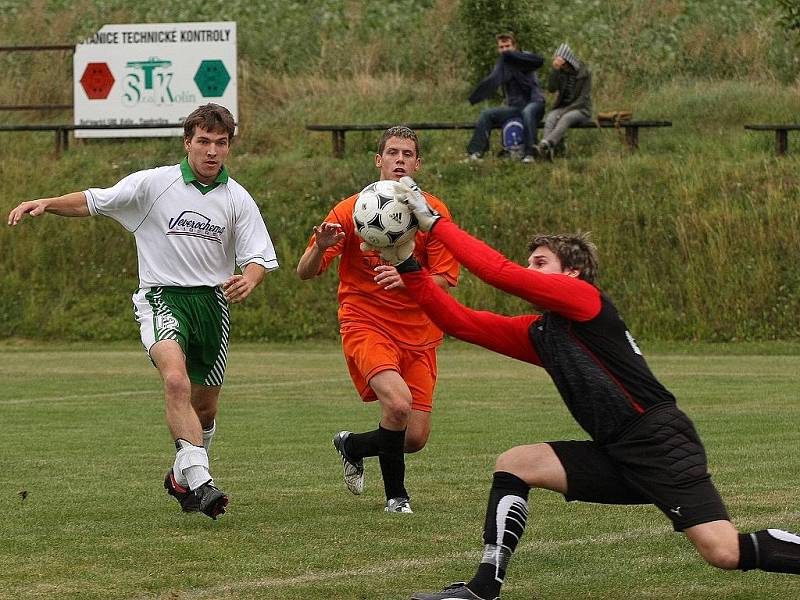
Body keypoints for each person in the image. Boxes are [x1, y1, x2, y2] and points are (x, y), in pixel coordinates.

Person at [375, 179, 800, 598]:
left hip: (659, 443)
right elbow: (458, 323)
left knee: (724, 551)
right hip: (615, 450)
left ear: (572, 273)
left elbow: (497, 272)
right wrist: (411, 266)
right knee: (517, 463)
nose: (529, 269)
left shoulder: (585, 300)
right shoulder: (541, 332)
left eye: (540, 262)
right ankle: (483, 590)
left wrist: (435, 225)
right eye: (531, 262)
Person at [7, 103, 278, 520]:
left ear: (228, 147)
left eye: (220, 143)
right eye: (203, 141)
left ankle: (180, 477)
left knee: (204, 410)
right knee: (175, 380)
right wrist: (45, 202)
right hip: (162, 298)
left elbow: (258, 254)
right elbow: (94, 201)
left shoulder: (237, 198)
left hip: (212, 306)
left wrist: (251, 278)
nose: (211, 151)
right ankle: (203, 484)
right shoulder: (154, 185)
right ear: (187, 142)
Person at [296, 126, 459, 514]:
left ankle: (352, 445)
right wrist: (319, 248)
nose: (399, 160)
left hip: (420, 333)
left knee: (415, 437)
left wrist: (408, 280)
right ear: (378, 160)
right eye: (392, 153)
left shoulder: (432, 213)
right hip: (365, 323)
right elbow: (305, 271)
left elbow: (445, 279)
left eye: (407, 154)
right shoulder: (351, 210)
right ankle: (396, 498)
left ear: (417, 164)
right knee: (398, 405)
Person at [466, 33, 545, 163]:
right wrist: (474, 97)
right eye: (501, 47)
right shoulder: (503, 64)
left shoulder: (526, 57)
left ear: (514, 46)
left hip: (535, 103)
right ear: (498, 49)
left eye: (507, 46)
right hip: (516, 107)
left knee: (527, 113)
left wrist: (510, 55)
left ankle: (530, 154)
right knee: (486, 114)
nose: (505, 50)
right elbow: (492, 80)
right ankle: (476, 153)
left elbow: (539, 61)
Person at [535, 43, 593, 161]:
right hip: (563, 107)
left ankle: (547, 143)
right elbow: (551, 88)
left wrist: (563, 112)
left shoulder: (584, 73)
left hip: (581, 109)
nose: (561, 65)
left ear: (568, 61)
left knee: (565, 118)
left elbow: (582, 99)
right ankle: (546, 152)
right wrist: (555, 71)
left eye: (562, 62)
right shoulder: (561, 72)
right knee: (551, 117)